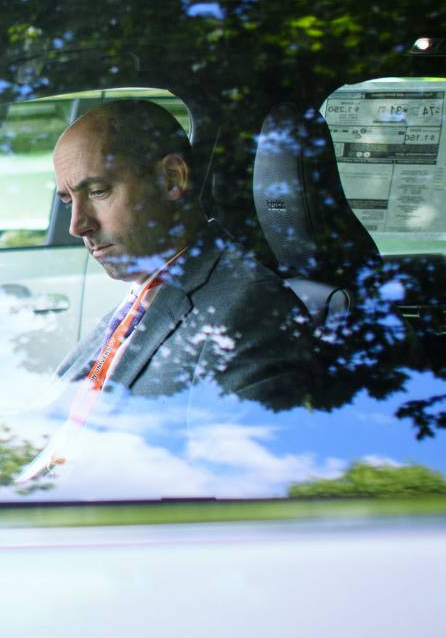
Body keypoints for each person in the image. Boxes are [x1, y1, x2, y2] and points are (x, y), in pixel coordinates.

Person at [49, 99, 310, 407]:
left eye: (97, 192)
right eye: (68, 201)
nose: (77, 226)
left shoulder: (249, 314)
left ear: (171, 178)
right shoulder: (140, 302)